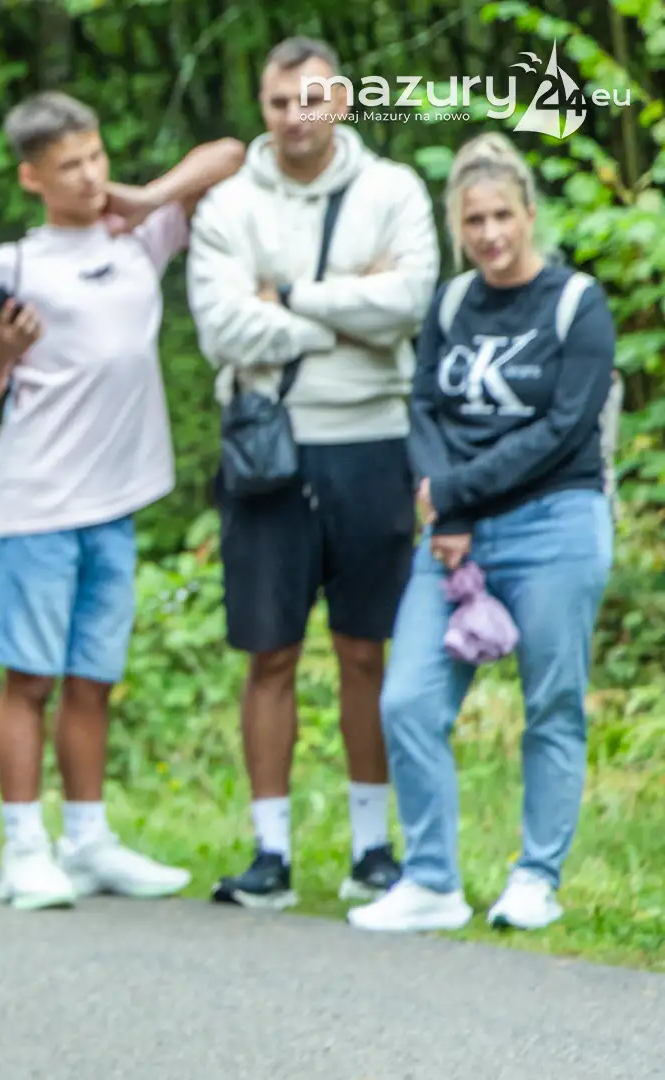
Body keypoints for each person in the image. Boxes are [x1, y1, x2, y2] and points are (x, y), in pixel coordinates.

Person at [0, 90, 244, 909]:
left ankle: (87, 842)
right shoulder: (13, 265)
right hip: (36, 503)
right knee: (31, 678)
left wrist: (148, 196)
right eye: (69, 166)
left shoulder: (139, 235)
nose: (88, 176)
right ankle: (24, 849)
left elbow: (231, 154)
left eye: (95, 157)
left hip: (115, 501)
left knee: (92, 679)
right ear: (32, 177)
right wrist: (4, 352)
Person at [185, 36, 442, 909]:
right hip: (269, 449)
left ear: (341, 101)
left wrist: (289, 296)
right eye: (278, 101)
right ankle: (271, 854)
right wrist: (349, 313)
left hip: (374, 441)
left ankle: (373, 850)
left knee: (366, 650)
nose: (296, 118)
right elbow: (222, 328)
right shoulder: (227, 205)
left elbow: (408, 302)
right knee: (270, 654)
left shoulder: (393, 190)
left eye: (312, 99)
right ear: (261, 106)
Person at [348, 133, 616, 935]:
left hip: (555, 525)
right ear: (456, 227)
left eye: (503, 216)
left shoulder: (577, 305)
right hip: (456, 539)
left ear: (529, 213)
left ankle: (536, 878)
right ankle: (431, 879)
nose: (491, 234)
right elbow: (426, 408)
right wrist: (452, 513)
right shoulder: (451, 303)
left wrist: (453, 493)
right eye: (474, 221)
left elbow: (565, 430)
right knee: (407, 700)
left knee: (552, 704)